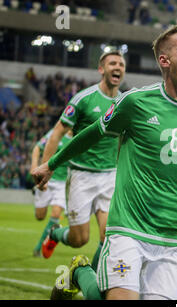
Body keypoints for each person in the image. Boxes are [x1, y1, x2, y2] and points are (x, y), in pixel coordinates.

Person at [32, 24, 177, 300]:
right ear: (164, 61)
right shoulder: (135, 103)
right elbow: (93, 133)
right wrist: (51, 164)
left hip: (174, 239)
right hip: (128, 229)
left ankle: (79, 272)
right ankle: (81, 272)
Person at [38, 50, 126, 272]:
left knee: (109, 236)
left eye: (122, 64)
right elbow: (57, 133)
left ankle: (89, 283)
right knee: (80, 239)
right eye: (113, 63)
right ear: (101, 69)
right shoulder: (84, 98)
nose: (118, 67)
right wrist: (46, 167)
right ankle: (56, 233)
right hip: (80, 176)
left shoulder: (125, 103)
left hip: (109, 176)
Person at [31, 129, 72, 257]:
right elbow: (37, 148)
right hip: (46, 179)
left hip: (62, 184)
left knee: (55, 214)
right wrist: (34, 167)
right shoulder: (56, 133)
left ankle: (39, 247)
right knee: (40, 216)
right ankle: (51, 231)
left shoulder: (79, 136)